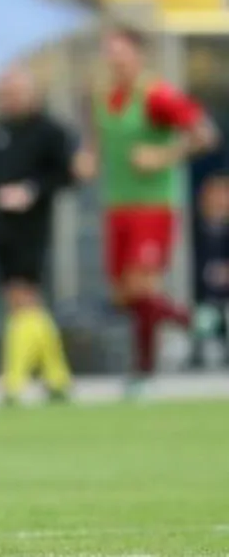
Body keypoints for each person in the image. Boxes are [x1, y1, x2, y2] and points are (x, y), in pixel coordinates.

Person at [76, 27, 217, 397]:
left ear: (138, 55)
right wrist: (88, 159)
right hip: (117, 203)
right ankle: (194, 322)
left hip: (153, 205)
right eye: (110, 52)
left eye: (121, 52)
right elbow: (95, 141)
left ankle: (146, 368)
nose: (115, 59)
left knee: (141, 285)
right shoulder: (102, 96)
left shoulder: (156, 95)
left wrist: (163, 156)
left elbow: (204, 134)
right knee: (124, 296)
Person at [0, 67, 76, 405]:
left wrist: (30, 191)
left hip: (31, 224)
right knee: (21, 298)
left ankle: (15, 380)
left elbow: (65, 174)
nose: (11, 99)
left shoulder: (49, 131)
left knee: (24, 295)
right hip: (0, 225)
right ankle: (56, 375)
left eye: (17, 91)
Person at [189, 173, 229, 368]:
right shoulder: (191, 230)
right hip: (200, 300)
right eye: (214, 194)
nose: (220, 200)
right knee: (203, 317)